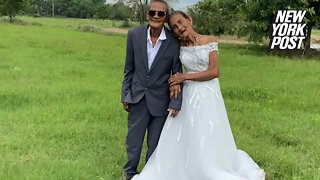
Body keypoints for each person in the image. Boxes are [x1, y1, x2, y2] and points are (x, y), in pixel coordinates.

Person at [131, 11, 265, 180]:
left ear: (190, 20)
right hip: (189, 95)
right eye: (175, 27)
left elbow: (214, 72)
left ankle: (211, 166)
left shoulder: (209, 41)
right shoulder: (177, 46)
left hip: (209, 94)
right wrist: (175, 84)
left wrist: (184, 77)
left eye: (181, 22)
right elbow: (172, 69)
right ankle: (183, 166)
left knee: (209, 130)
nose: (180, 27)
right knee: (185, 132)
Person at [121, 1, 183, 180]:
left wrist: (175, 101)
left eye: (161, 14)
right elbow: (128, 68)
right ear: (147, 14)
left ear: (165, 17)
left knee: (155, 143)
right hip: (137, 97)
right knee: (134, 140)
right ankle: (130, 173)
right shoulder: (134, 35)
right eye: (152, 12)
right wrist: (125, 94)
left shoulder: (173, 41)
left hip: (161, 101)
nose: (156, 16)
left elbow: (177, 73)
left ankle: (150, 174)